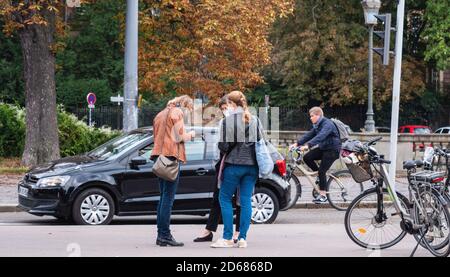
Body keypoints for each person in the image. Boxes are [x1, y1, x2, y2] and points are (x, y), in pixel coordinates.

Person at [211, 91, 261, 249]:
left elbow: (224, 146)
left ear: (232, 104)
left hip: (234, 166)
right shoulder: (255, 120)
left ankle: (227, 237)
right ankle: (242, 238)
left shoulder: (229, 121)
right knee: (246, 201)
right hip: (252, 166)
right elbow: (260, 142)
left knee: (224, 198)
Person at [193, 96, 241, 243]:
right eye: (222, 109)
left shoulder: (243, 121)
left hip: (237, 163)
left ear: (233, 104)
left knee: (239, 200)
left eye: (226, 107)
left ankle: (237, 233)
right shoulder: (223, 122)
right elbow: (219, 145)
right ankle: (209, 230)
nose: (224, 111)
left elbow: (226, 144)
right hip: (223, 162)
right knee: (218, 197)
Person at [151, 95, 195, 247]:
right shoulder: (177, 112)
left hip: (159, 158)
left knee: (163, 197)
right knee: (168, 199)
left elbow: (157, 137)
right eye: (189, 109)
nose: (189, 113)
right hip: (170, 158)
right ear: (185, 105)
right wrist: (191, 134)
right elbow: (179, 136)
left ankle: (160, 235)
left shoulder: (160, 114)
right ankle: (164, 235)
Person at [289, 107, 341, 204]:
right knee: (307, 157)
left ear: (318, 115)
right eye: (310, 116)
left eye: (312, 116)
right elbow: (309, 135)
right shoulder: (317, 125)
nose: (310, 118)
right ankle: (319, 177)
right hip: (324, 148)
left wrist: (308, 145)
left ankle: (323, 195)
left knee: (322, 171)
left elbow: (321, 136)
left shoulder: (327, 124)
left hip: (332, 150)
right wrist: (296, 144)